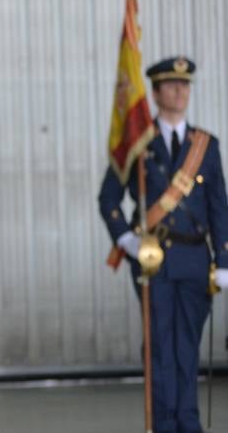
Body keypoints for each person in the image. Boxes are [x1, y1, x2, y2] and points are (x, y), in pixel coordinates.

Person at [99, 55, 228, 433]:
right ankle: (163, 425)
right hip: (153, 261)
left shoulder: (205, 146)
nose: (180, 91)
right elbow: (108, 199)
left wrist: (223, 259)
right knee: (159, 352)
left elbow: (220, 207)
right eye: (171, 85)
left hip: (193, 260)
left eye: (185, 85)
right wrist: (126, 240)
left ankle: (189, 425)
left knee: (187, 349)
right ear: (154, 94)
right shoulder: (137, 145)